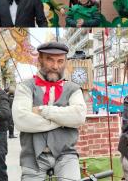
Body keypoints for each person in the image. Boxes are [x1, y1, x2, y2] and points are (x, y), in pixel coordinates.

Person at [12, 42, 87, 180]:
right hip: (32, 156)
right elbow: (21, 121)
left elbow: (79, 117)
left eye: (60, 61)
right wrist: (63, 120)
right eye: (50, 60)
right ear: (40, 59)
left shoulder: (73, 88)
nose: (55, 66)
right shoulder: (25, 87)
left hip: (66, 154)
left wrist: (43, 110)